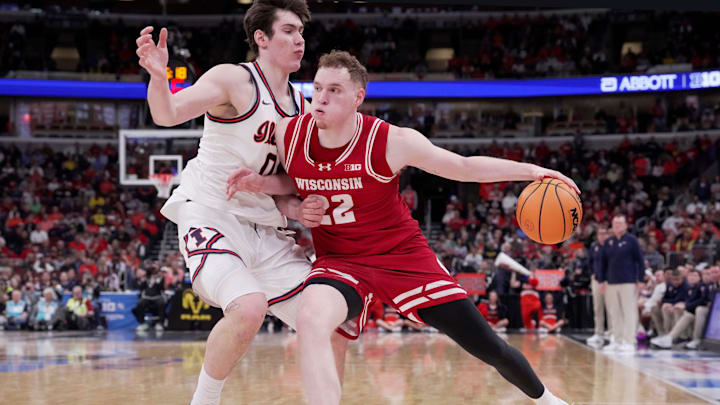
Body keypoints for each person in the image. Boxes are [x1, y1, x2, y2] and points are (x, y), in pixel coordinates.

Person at [227, 50, 578, 405]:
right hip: (341, 261)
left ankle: (548, 400)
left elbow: (464, 166)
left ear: (357, 98)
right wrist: (281, 197)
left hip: (403, 258)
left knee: (487, 345)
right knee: (312, 320)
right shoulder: (290, 135)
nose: (321, 97)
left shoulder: (391, 141)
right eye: (317, 87)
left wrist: (533, 172)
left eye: (334, 90)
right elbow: (289, 186)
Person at [135, 2, 347, 404]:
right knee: (249, 309)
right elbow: (167, 113)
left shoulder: (302, 109)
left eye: (301, 31)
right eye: (288, 30)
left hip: (265, 230)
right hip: (212, 213)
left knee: (330, 320)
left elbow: (287, 188)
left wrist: (297, 208)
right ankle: (204, 400)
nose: (299, 39)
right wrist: (160, 79)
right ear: (262, 39)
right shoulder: (235, 79)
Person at [600, 215, 644, 353]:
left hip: (628, 281)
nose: (617, 226)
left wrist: (641, 279)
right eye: (615, 223)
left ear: (626, 225)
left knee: (629, 311)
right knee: (614, 312)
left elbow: (640, 260)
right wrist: (602, 280)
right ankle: (617, 339)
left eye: (620, 223)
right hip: (611, 282)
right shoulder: (609, 242)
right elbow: (603, 263)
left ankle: (629, 341)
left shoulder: (631, 241)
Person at [586, 227, 610, 346]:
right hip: (596, 280)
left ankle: (611, 333)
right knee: (598, 307)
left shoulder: (610, 246)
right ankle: (598, 332)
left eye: (604, 233)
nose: (602, 235)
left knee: (610, 308)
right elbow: (589, 262)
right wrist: (592, 273)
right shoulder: (594, 246)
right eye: (600, 233)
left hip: (608, 281)